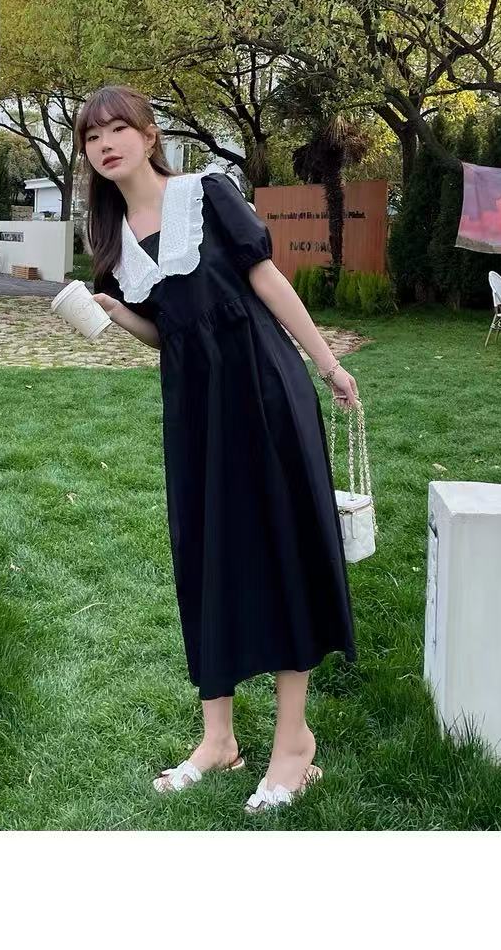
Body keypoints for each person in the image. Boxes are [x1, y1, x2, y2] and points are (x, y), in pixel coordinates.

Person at [76, 84, 359, 813]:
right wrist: (116, 313)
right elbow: (167, 333)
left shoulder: (206, 193)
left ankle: (294, 744)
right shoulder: (111, 242)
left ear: (148, 135)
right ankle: (218, 740)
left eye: (116, 129)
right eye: (91, 137)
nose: (105, 144)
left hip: (264, 391)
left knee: (281, 547)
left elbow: (267, 281)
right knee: (207, 556)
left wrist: (328, 365)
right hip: (196, 414)